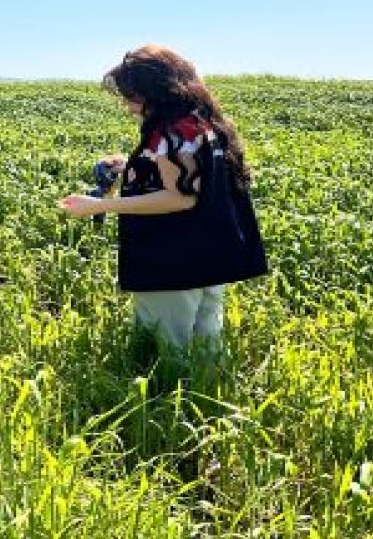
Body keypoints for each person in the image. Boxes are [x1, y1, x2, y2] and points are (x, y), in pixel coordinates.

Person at [59, 45, 267, 385]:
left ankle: (168, 412)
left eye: (132, 98)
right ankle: (207, 400)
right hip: (211, 254)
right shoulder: (204, 125)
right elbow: (195, 181)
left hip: (173, 259)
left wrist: (99, 205)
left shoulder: (167, 132)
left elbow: (180, 198)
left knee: (168, 346)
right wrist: (132, 166)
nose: (128, 107)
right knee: (206, 339)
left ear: (157, 92)